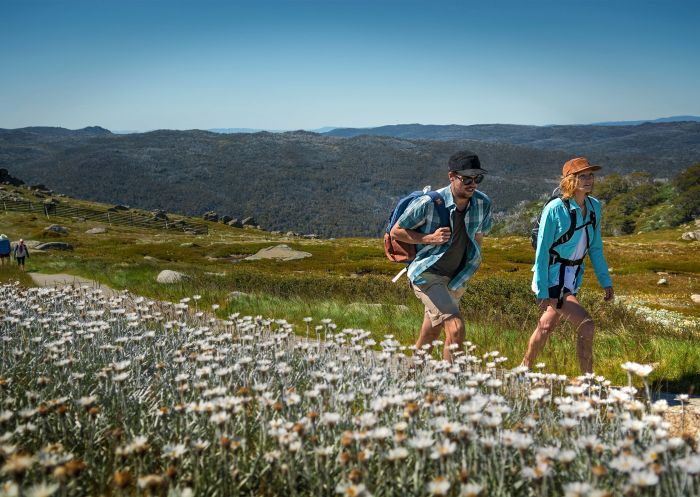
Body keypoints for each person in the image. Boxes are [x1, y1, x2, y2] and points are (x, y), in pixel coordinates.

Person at [390, 150, 492, 361]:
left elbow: (479, 237)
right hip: (427, 273)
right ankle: (451, 389)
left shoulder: (483, 203)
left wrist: (471, 265)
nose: (473, 184)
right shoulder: (429, 203)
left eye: (477, 178)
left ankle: (412, 378)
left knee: (431, 332)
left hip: (457, 278)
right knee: (456, 328)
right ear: (451, 176)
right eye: (467, 178)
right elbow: (396, 232)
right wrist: (429, 238)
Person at [522, 157, 614, 373]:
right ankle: (588, 381)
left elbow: (596, 248)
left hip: (572, 276)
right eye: (582, 175)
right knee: (587, 325)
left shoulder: (594, 207)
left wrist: (605, 281)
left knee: (546, 326)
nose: (588, 179)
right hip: (553, 275)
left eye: (590, 175)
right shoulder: (555, 209)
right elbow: (542, 251)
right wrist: (543, 290)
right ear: (569, 180)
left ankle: (523, 369)